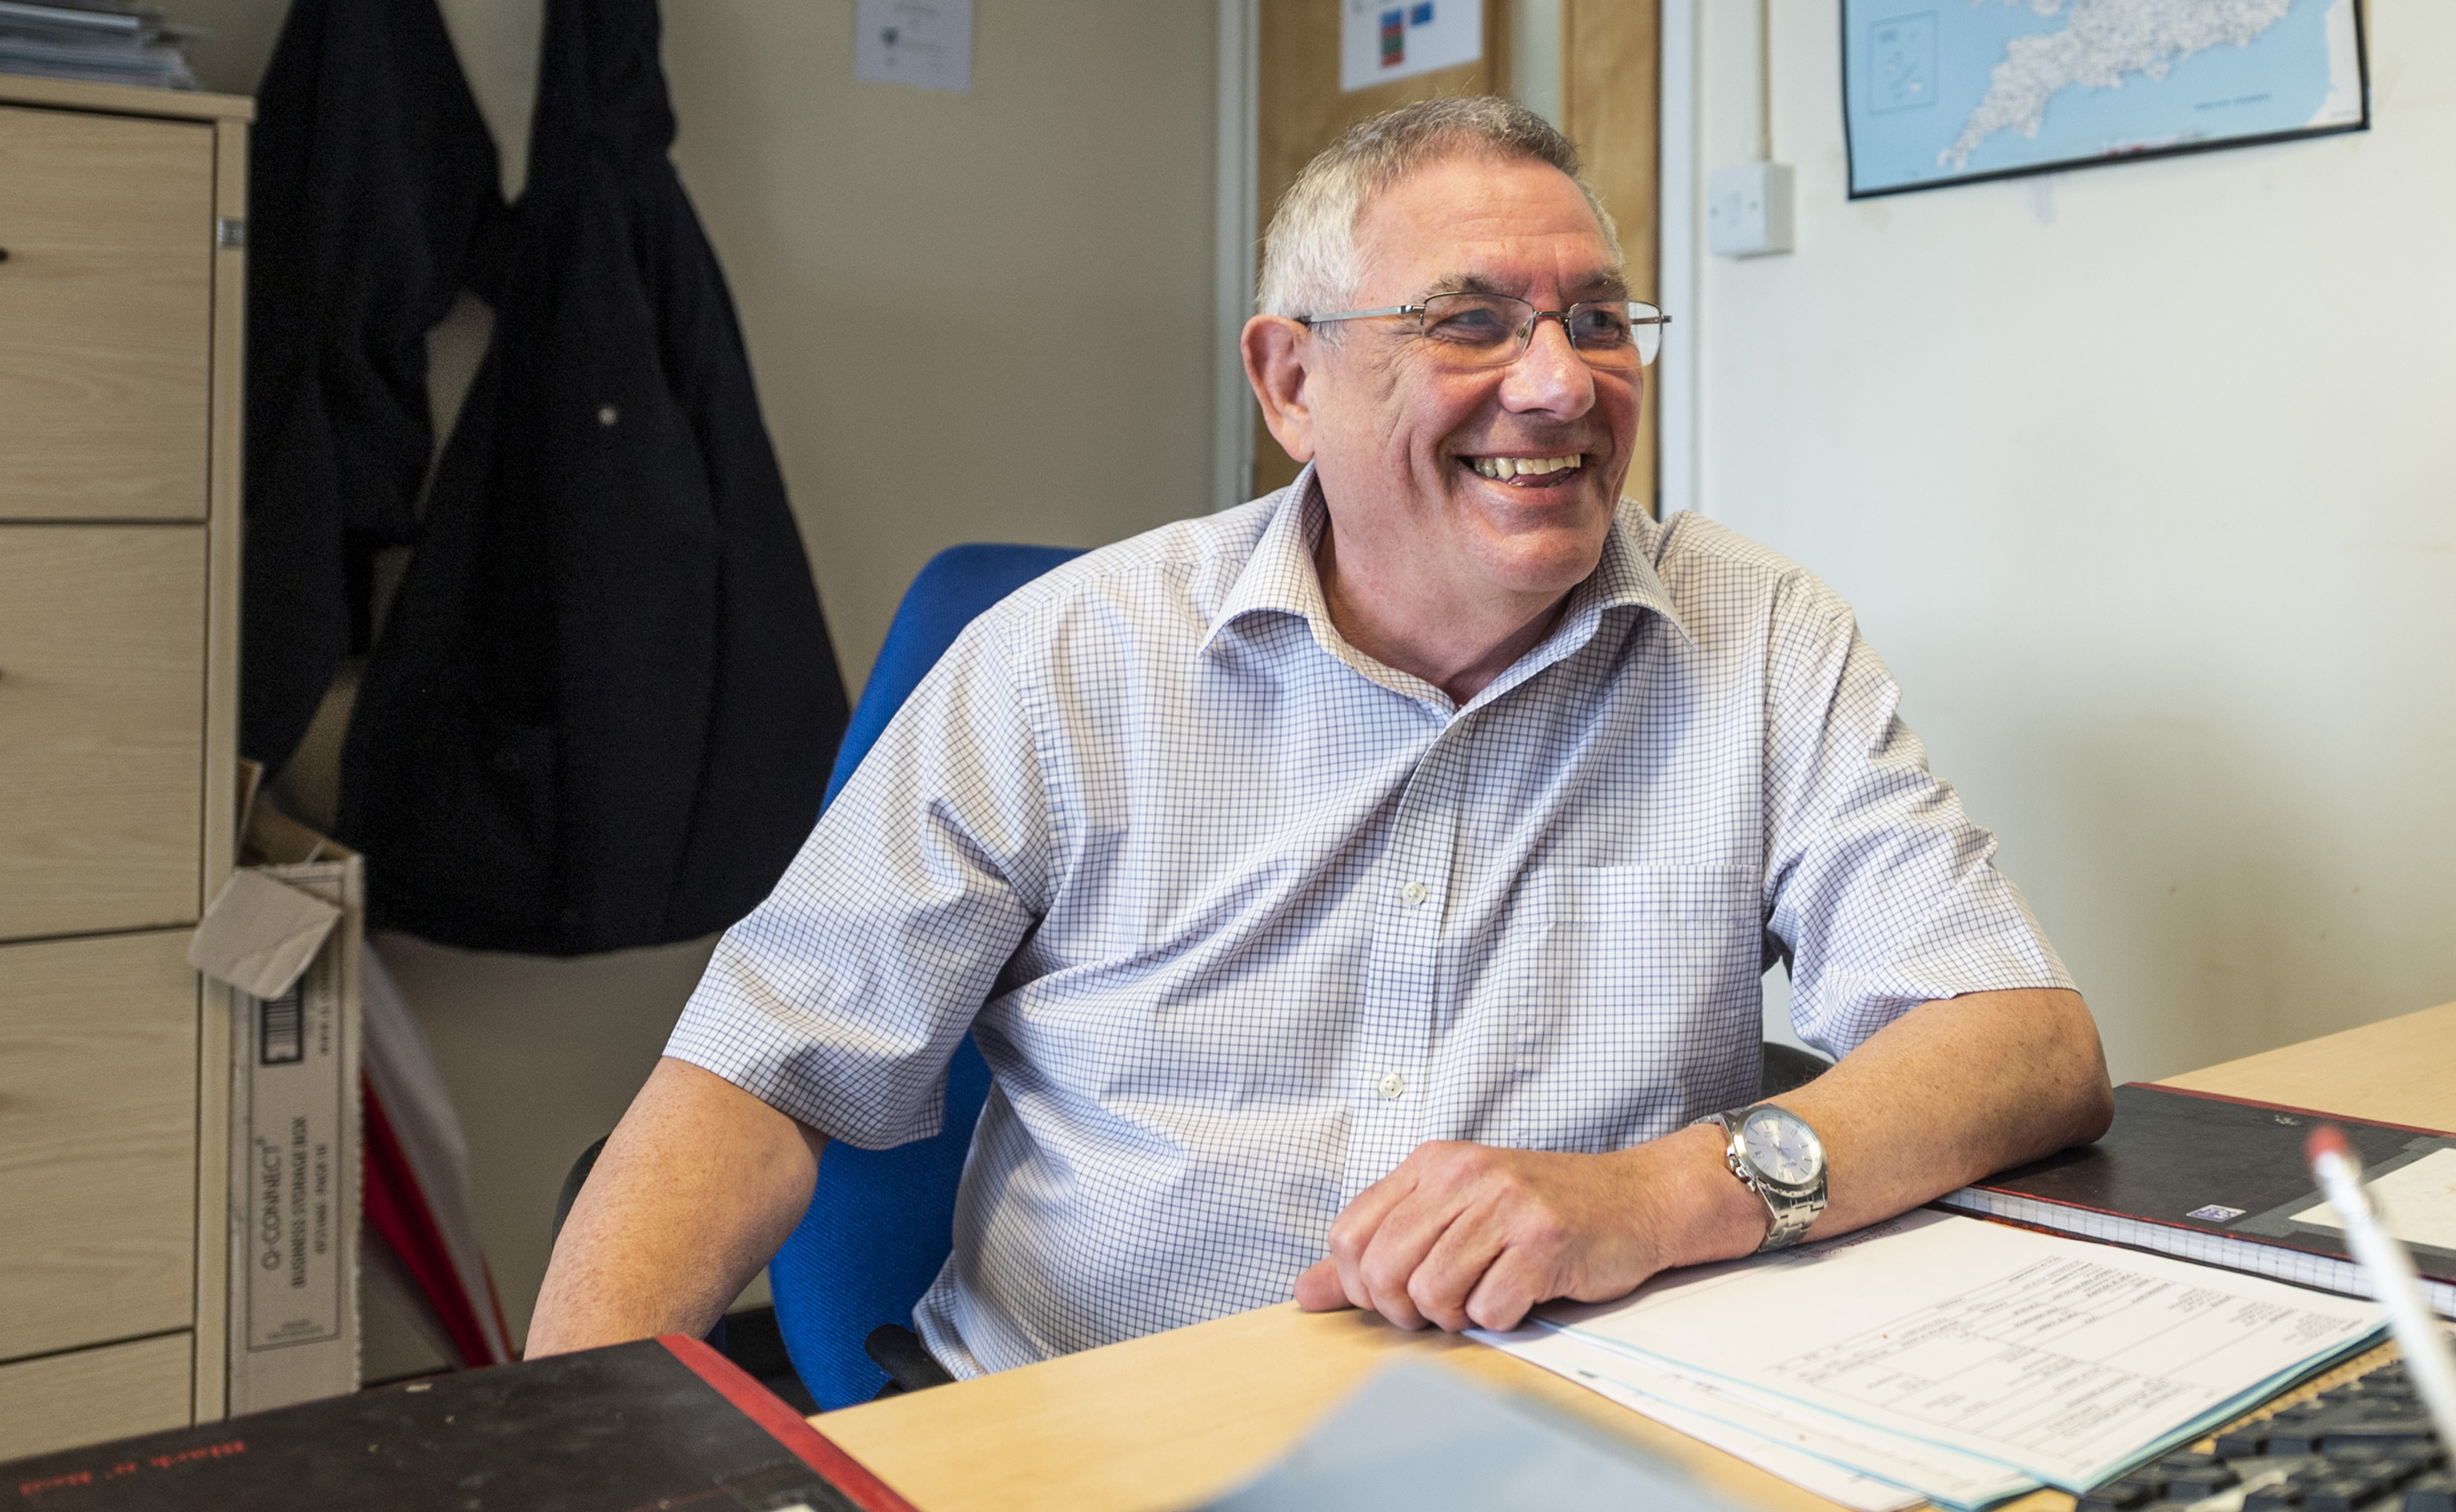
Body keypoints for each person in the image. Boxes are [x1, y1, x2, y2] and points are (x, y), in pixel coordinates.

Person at [529, 96, 2108, 1372]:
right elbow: (755, 1079)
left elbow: (2024, 1044)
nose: (1558, 383)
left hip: (1570, 1440)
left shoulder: (1755, 636)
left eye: (1596, 318)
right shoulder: (1066, 659)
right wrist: (569, 1487)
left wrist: (1654, 1193)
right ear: (1292, 380)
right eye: (1469, 322)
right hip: (1101, 1447)